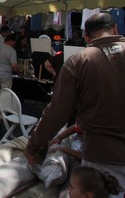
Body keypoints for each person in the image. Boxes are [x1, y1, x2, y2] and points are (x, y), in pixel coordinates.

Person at [24, 13, 125, 198]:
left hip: (101, 157)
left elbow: (57, 111)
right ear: (116, 29)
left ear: (86, 37)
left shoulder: (79, 61)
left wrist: (33, 145)